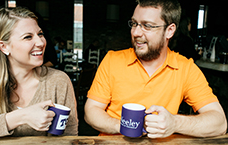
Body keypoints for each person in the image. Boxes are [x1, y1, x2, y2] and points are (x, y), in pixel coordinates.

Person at [84, 0, 227, 139]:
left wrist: (175, 123)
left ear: (169, 31)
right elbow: (91, 111)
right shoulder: (112, 60)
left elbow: (219, 123)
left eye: (147, 26)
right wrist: (123, 126)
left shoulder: (185, 68)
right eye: (134, 23)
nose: (135, 32)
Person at [0, 7, 78, 143]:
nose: (41, 43)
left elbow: (69, 138)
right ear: (4, 47)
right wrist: (22, 116)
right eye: (28, 37)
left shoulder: (58, 81)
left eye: (40, 34)